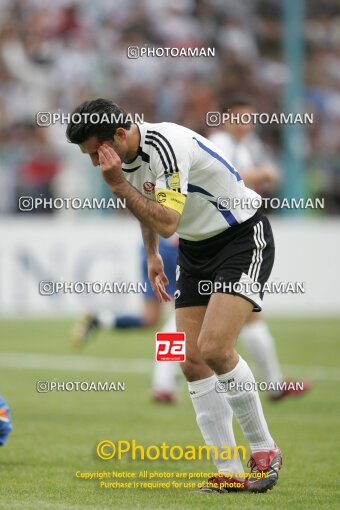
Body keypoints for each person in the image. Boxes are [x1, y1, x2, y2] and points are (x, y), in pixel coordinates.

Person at [66, 98, 282, 493]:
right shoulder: (123, 156)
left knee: (215, 348)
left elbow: (167, 221)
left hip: (241, 238)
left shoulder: (165, 144)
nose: (97, 164)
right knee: (188, 359)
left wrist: (117, 185)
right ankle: (229, 471)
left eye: (96, 153)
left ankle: (265, 450)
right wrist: (150, 254)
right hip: (195, 250)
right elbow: (147, 209)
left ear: (118, 134)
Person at [209, 95, 310, 401]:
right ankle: (273, 384)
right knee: (177, 317)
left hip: (219, 235)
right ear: (225, 118)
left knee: (243, 314)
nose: (245, 123)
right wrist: (263, 174)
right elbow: (227, 176)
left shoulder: (243, 146)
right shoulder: (220, 142)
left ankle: (164, 380)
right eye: (239, 117)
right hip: (219, 237)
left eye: (249, 118)